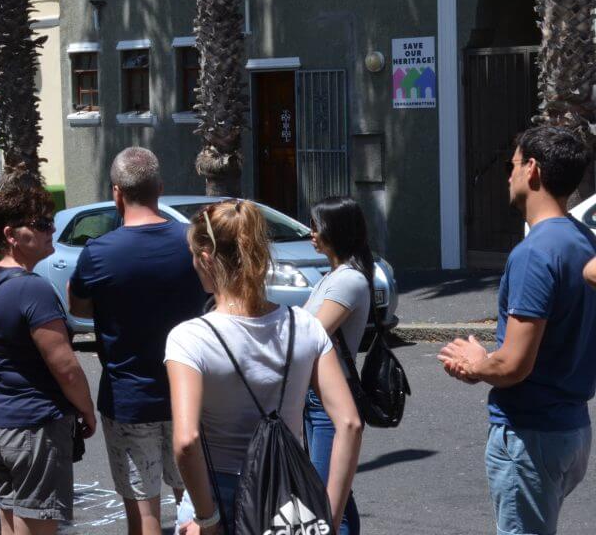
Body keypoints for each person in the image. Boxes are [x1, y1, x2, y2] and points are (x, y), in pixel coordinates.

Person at [165, 199, 361, 535]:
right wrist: (329, 516)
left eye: (193, 255)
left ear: (207, 258)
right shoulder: (305, 326)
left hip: (218, 492)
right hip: (288, 494)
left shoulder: (190, 338)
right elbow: (350, 423)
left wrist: (207, 520)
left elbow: (186, 441)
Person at [440, 126, 596, 535]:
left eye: (511, 166)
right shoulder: (584, 240)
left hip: (531, 433)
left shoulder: (535, 253)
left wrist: (476, 363)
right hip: (571, 429)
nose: (508, 176)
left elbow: (514, 366)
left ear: (532, 170)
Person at [67, 147, 206, 535]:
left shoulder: (98, 252)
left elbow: (77, 306)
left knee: (144, 517)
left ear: (116, 192)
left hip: (129, 397)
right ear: (159, 187)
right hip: (189, 393)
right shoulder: (192, 242)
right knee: (197, 509)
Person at [0, 180, 96, 535]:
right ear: (11, 234)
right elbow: (65, 366)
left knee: (10, 520)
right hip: (34, 427)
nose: (51, 230)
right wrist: (86, 410)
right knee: (38, 524)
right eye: (41, 224)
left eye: (50, 222)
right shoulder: (33, 288)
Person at [302, 197, 373, 535]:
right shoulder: (332, 276)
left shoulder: (348, 280)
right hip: (316, 397)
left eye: (316, 227)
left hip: (330, 401)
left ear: (336, 230)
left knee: (328, 500)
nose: (311, 233)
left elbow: (313, 332)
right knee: (337, 493)